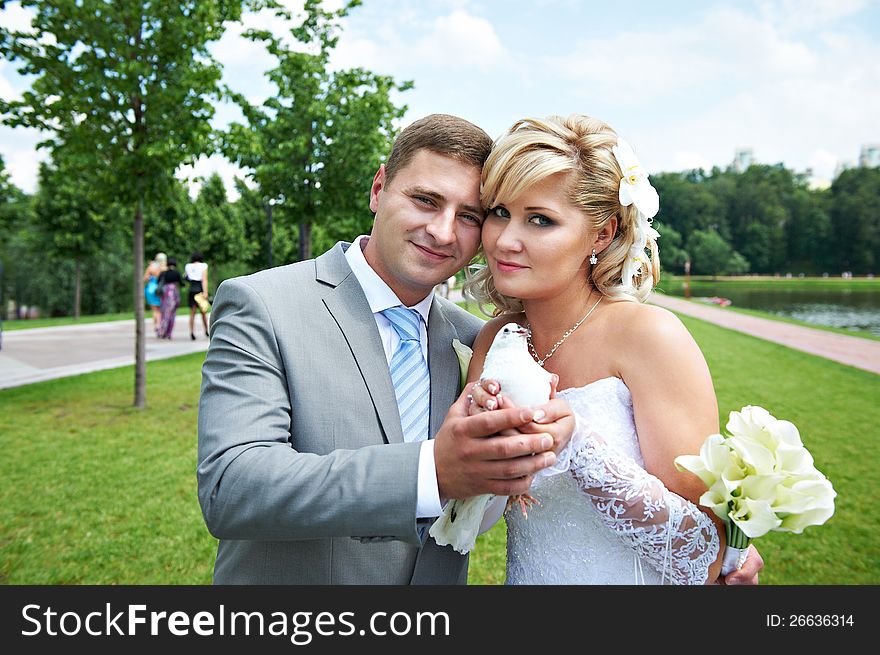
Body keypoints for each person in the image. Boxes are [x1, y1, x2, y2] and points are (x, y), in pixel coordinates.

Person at [197, 114, 573, 585]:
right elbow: (231, 489)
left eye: (469, 216)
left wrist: (520, 452)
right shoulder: (263, 304)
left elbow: (474, 504)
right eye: (425, 200)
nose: (441, 231)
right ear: (379, 189)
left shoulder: (478, 341)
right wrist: (431, 472)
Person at [466, 114, 763, 584]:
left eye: (540, 220)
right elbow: (474, 512)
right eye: (499, 212)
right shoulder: (495, 340)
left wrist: (577, 446)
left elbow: (703, 554)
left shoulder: (649, 337)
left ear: (601, 235)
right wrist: (476, 452)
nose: (505, 239)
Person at [156, 257, 184, 339]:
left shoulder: (164, 273)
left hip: (165, 294)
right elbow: (182, 284)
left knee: (164, 313)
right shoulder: (177, 273)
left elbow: (158, 281)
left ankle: (162, 331)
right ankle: (169, 333)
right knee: (172, 315)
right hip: (174, 294)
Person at [185, 251, 210, 340]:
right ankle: (206, 330)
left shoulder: (188, 266)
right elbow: (204, 279)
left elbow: (186, 277)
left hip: (192, 289)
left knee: (192, 313)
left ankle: (191, 332)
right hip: (199, 289)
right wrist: (205, 292)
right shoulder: (203, 266)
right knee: (203, 312)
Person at [143, 252, 167, 336]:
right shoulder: (164, 268)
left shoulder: (151, 267)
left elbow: (144, 278)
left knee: (155, 310)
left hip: (151, 288)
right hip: (161, 289)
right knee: (160, 310)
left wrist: (150, 277)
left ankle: (156, 325)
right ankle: (160, 325)